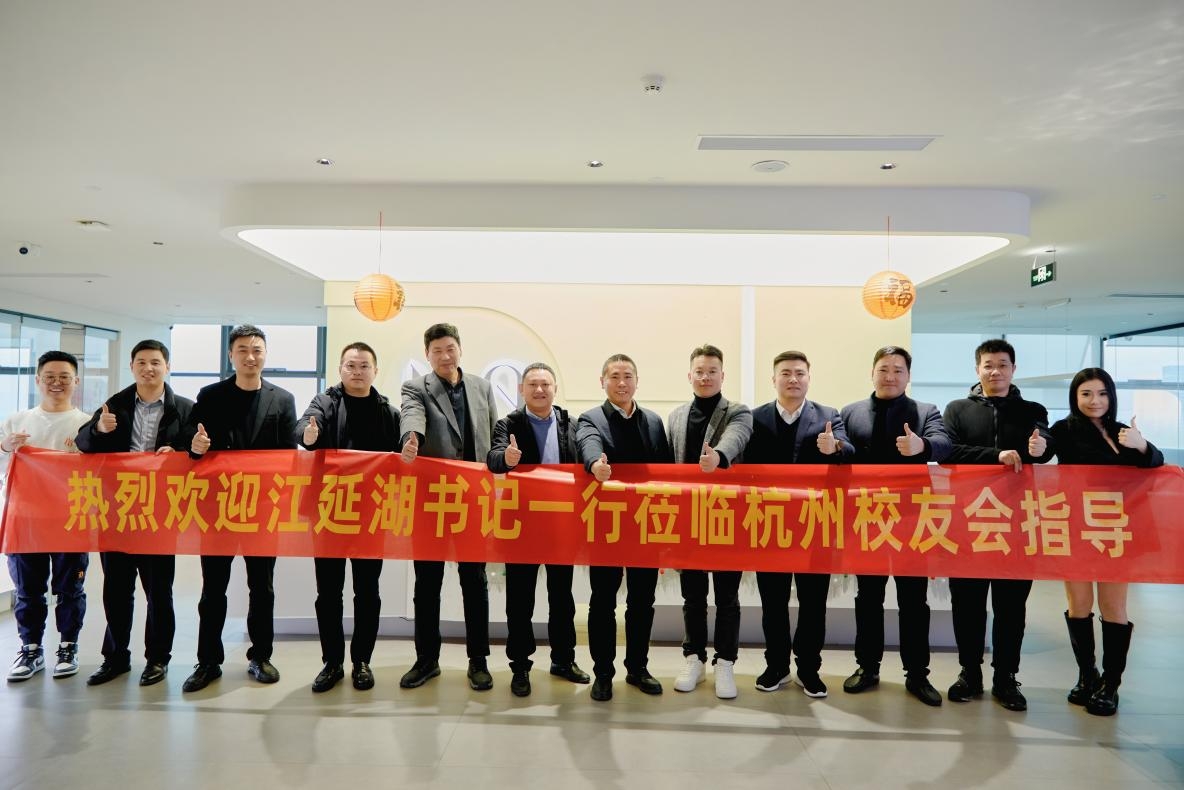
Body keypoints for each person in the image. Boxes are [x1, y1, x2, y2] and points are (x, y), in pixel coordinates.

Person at [179, 324, 297, 692]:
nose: (250, 356)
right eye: (242, 350)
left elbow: (290, 455)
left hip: (262, 510)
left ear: (265, 355)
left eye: (257, 349)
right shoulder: (211, 396)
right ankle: (207, 661)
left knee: (262, 588)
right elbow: (190, 442)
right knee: (213, 589)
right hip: (219, 509)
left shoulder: (283, 399)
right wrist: (196, 446)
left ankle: (260, 656)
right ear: (231, 355)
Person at [942, 339, 1054, 711]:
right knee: (967, 604)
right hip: (968, 521)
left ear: (1013, 369)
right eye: (988, 365)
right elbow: (948, 451)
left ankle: (1006, 677)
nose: (995, 371)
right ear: (977, 369)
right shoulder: (957, 409)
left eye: (1003, 365)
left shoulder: (1032, 410)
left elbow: (1045, 443)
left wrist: (1040, 449)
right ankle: (969, 673)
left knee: (1011, 607)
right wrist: (996, 456)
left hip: (1017, 523)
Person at [75, 339, 193, 687]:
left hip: (159, 514)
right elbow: (83, 443)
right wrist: (98, 429)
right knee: (116, 590)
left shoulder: (185, 408)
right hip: (118, 512)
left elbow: (199, 452)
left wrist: (180, 451)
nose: (148, 368)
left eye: (155, 362)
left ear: (167, 367)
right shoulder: (114, 405)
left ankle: (157, 659)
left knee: (159, 592)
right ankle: (115, 657)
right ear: (132, 367)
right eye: (141, 362)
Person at [840, 345, 952, 706]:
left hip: (911, 521)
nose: (890, 376)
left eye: (898, 370)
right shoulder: (851, 412)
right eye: (884, 369)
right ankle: (867, 667)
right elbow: (843, 452)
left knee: (914, 600)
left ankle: (917, 674)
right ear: (872, 373)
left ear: (908, 376)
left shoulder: (925, 411)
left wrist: (922, 446)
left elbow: (944, 445)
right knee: (867, 598)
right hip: (866, 518)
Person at [1052, 367, 1163, 716]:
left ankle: (1111, 684)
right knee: (1079, 604)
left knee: (1113, 607)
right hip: (1076, 528)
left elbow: (1155, 462)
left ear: (1111, 396)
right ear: (1075, 397)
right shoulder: (1063, 430)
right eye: (1086, 394)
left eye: (1101, 393)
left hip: (1116, 531)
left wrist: (1141, 444)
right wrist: (1036, 448)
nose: (1094, 401)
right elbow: (1042, 453)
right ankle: (1088, 676)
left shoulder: (1122, 431)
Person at [744, 350, 853, 698]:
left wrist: (835, 446)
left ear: (809, 377)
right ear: (774, 379)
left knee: (813, 603)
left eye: (800, 373)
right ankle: (776, 665)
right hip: (770, 524)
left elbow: (850, 451)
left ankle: (809, 668)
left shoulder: (828, 415)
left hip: (814, 524)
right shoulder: (755, 417)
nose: (793, 379)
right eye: (786, 373)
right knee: (773, 602)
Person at [295, 342, 400, 693]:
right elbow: (304, 428)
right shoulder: (325, 402)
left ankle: (362, 662)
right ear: (340, 369)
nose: (357, 372)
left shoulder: (388, 412)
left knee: (367, 592)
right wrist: (308, 435)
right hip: (330, 512)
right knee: (328, 593)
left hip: (371, 514)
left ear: (375, 371)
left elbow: (401, 456)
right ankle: (332, 662)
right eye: (351, 365)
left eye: (364, 366)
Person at [398, 323, 498, 691]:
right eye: (437, 350)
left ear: (460, 349)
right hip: (432, 502)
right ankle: (427, 660)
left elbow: (494, 435)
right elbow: (412, 416)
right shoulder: (416, 387)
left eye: (450, 348)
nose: (444, 356)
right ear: (427, 355)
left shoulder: (482, 387)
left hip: (473, 501)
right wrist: (411, 438)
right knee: (427, 584)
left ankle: (478, 661)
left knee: (475, 583)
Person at [487, 362, 590, 697]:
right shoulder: (509, 424)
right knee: (520, 601)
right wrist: (507, 458)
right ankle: (520, 666)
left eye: (546, 384)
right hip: (522, 526)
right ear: (522, 390)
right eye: (532, 384)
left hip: (561, 524)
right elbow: (493, 457)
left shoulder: (571, 424)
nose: (540, 390)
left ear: (555, 389)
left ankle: (563, 659)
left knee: (562, 599)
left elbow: (585, 460)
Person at [576, 353, 673, 702]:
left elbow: (666, 474)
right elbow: (588, 444)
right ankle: (603, 673)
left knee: (642, 602)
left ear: (637, 381)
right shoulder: (590, 418)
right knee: (602, 603)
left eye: (627, 376)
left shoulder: (653, 421)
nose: (621, 383)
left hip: (646, 526)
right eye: (614, 376)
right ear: (602, 381)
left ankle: (637, 668)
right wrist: (595, 465)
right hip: (606, 526)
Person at [666, 345, 752, 699]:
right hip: (688, 520)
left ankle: (725, 662)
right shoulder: (676, 416)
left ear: (722, 375)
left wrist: (719, 456)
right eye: (699, 371)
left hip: (726, 518)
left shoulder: (738, 412)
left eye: (712, 371)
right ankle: (694, 658)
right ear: (690, 375)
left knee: (727, 598)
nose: (705, 377)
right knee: (693, 596)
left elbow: (736, 438)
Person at [1, 351, 91, 682]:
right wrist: (6, 448)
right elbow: (2, 469)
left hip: (70, 520)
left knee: (70, 588)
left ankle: (68, 647)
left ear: (75, 381)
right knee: (28, 589)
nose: (57, 383)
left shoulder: (86, 424)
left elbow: (102, 472)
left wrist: (82, 454)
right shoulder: (16, 421)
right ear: (38, 380)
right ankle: (30, 649)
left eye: (64, 377)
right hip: (26, 520)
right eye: (50, 376)